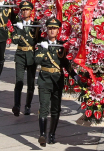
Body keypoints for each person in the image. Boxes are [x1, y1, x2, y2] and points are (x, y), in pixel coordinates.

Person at [35, 17, 81, 146]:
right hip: (44, 80)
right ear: (47, 30)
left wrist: (75, 76)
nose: (52, 31)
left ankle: (52, 134)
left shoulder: (61, 46)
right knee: (43, 108)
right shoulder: (41, 45)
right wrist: (44, 49)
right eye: (50, 28)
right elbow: (36, 60)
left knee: (55, 109)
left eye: (54, 28)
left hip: (57, 80)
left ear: (58, 31)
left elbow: (65, 63)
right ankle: (42, 135)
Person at [11, 0, 39, 116]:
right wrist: (20, 29)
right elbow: (14, 40)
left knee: (31, 83)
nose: (25, 11)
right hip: (20, 55)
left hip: (31, 55)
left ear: (31, 11)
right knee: (19, 81)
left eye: (27, 9)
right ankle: (17, 105)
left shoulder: (35, 25)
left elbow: (36, 40)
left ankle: (28, 105)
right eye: (23, 10)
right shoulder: (18, 24)